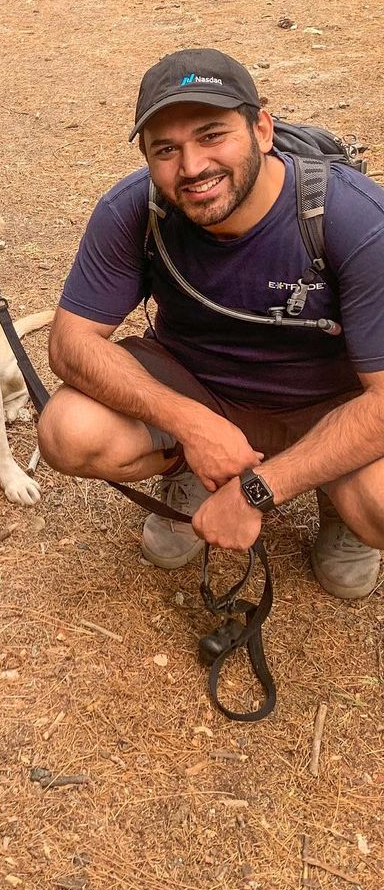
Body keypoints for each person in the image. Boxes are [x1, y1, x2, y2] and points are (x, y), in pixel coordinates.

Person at [37, 48, 384, 600]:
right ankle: (189, 473)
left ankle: (336, 500)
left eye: (212, 135)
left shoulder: (354, 218)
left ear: (262, 130)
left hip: (326, 407)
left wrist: (259, 491)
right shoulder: (134, 211)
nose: (193, 166)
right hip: (199, 387)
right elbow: (70, 342)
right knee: (68, 431)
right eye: (167, 149)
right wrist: (193, 425)